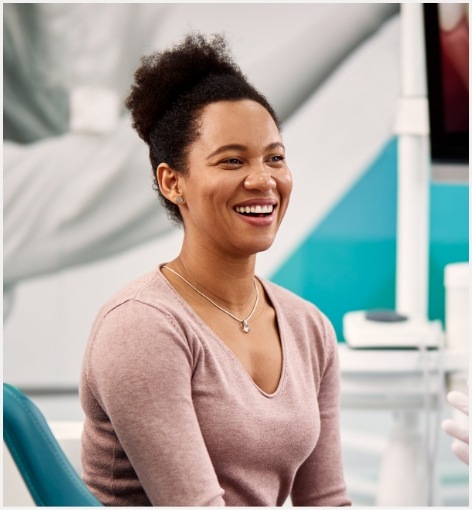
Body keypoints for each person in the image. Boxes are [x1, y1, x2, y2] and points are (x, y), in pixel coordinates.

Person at [80, 32, 351, 507]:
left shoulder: (309, 328)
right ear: (172, 182)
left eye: (275, 158)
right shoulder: (141, 326)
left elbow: (327, 500)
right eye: (232, 161)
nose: (263, 179)